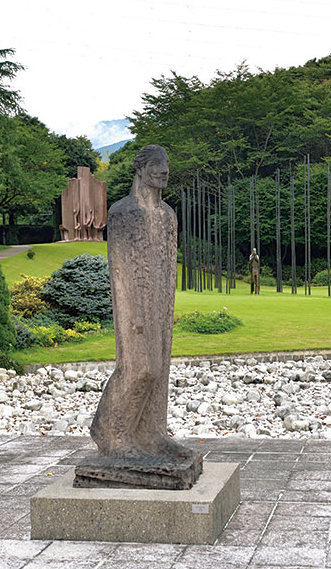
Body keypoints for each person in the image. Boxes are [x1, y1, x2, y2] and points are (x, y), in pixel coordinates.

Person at [81, 145, 201, 487]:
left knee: (159, 367)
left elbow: (167, 264)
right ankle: (111, 434)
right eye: (157, 166)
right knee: (140, 366)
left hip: (161, 300)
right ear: (140, 169)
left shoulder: (167, 215)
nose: (164, 171)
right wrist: (131, 312)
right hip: (133, 301)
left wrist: (165, 308)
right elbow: (119, 269)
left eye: (166, 165)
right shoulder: (124, 213)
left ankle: (151, 433)